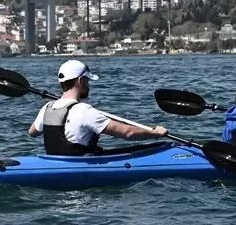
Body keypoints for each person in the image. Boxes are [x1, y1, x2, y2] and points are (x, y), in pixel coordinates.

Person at [28, 59, 167, 156]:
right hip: (80, 174)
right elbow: (127, 132)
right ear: (80, 81)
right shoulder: (84, 111)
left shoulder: (48, 107)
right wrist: (155, 133)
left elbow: (32, 132)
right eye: (87, 81)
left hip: (56, 163)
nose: (89, 85)